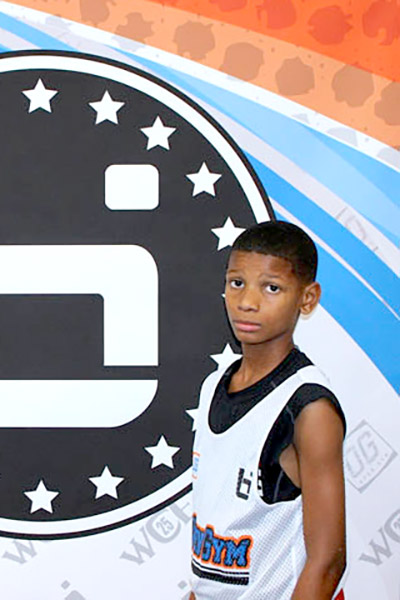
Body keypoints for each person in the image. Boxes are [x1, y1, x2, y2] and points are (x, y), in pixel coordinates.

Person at [190, 220, 346, 599]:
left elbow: (327, 561)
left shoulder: (308, 407)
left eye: (271, 288)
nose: (247, 301)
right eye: (236, 283)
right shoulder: (214, 384)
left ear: (307, 299)